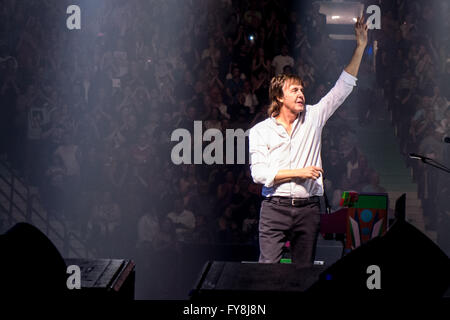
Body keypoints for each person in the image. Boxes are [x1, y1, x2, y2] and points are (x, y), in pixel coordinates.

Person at [248, 17, 368, 265]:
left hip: (308, 210)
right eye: (294, 90)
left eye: (302, 90)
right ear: (279, 98)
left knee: (303, 277)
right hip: (274, 209)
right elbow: (259, 174)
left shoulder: (313, 116)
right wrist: (300, 172)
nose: (301, 94)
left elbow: (342, 87)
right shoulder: (261, 131)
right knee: (267, 272)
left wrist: (359, 47)